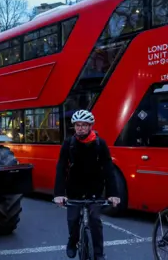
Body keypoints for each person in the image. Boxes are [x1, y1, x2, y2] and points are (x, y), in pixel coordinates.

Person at [53, 110, 121, 260]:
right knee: (73, 221)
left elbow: (109, 169)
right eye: (78, 125)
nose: (81, 128)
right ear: (74, 126)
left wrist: (113, 194)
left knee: (95, 222)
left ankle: (98, 253)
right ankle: (72, 241)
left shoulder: (100, 143)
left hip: (94, 189)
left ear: (90, 126)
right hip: (74, 190)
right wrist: (59, 193)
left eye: (84, 125)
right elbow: (61, 168)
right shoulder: (68, 143)